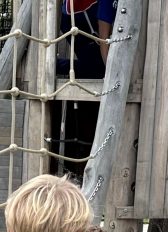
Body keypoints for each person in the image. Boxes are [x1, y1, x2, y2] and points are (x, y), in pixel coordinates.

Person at [51, 0, 119, 178]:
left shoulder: (104, 4)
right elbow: (103, 40)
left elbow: (104, 39)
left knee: (69, 68)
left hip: (93, 56)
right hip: (94, 58)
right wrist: (109, 73)